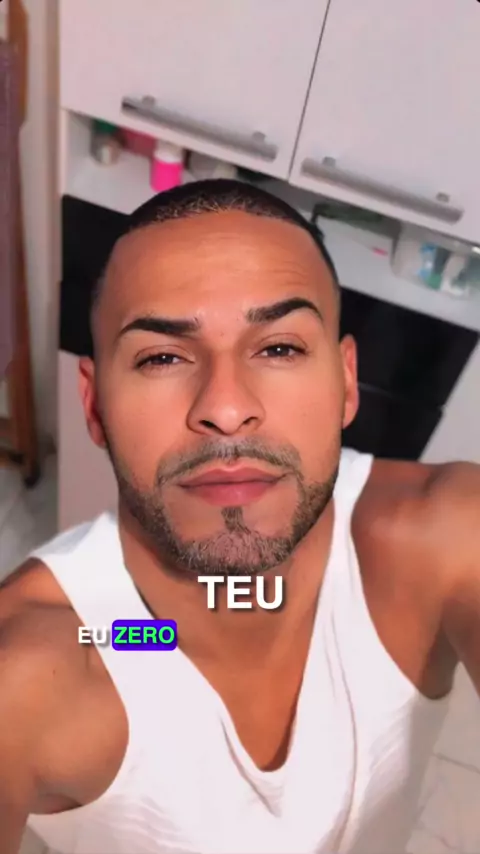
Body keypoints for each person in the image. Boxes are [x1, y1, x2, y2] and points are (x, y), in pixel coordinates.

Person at [0, 179, 478, 854]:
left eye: (279, 348)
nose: (226, 409)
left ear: (345, 381)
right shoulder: (32, 671)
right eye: (162, 357)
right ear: (95, 403)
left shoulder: (447, 535)